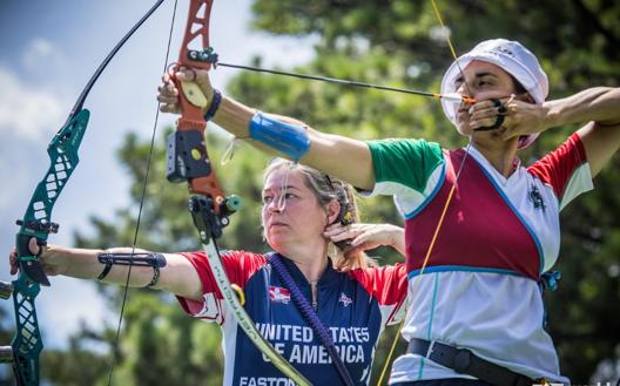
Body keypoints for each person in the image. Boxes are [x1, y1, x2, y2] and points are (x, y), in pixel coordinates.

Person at [157, 38, 620, 385]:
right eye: (462, 85)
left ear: (522, 103)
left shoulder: (545, 183)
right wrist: (214, 105)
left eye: (484, 84)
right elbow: (314, 145)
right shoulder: (428, 167)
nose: (466, 95)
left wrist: (549, 115)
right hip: (440, 377)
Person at [10, 159, 407, 386]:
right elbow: (155, 266)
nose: (273, 207)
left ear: (332, 210)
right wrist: (60, 259)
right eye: (268, 198)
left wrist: (393, 235)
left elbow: (457, 270)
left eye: (289, 196)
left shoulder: (371, 286)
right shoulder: (242, 272)